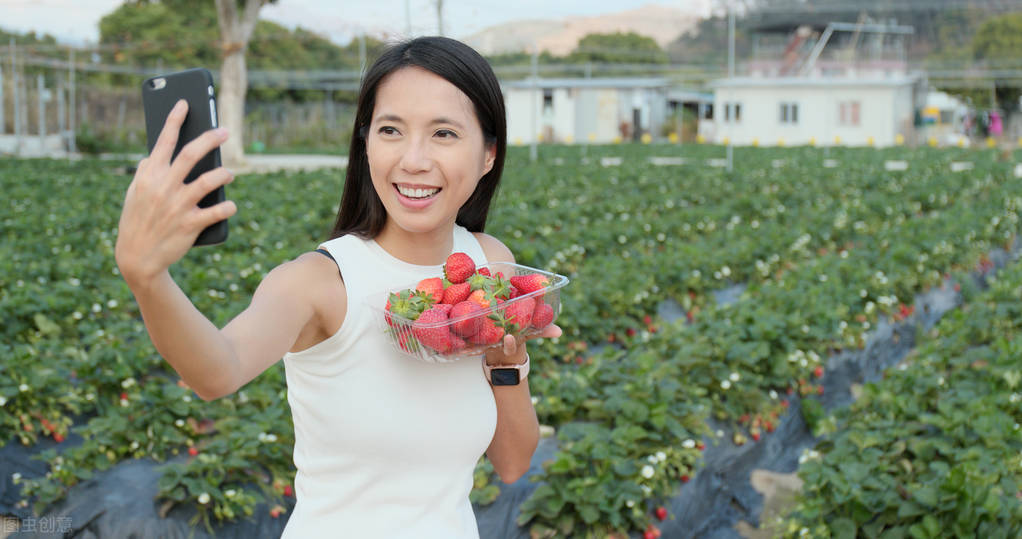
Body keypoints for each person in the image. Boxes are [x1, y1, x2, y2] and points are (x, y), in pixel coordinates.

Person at [114, 36, 557, 538]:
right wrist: (145, 277)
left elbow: (514, 463)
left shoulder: (488, 266)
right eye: (391, 129)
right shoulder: (319, 283)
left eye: (444, 134)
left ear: (488, 155)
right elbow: (217, 371)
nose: (413, 159)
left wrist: (507, 364)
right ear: (366, 142)